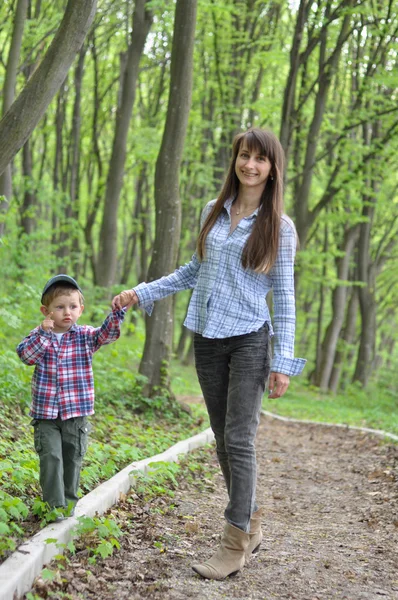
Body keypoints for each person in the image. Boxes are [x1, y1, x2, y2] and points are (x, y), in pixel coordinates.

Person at [112, 128, 306, 579]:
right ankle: (252, 519)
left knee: (239, 439)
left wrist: (284, 360)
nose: (250, 165)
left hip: (251, 339)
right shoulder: (213, 212)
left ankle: (234, 542)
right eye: (244, 155)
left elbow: (285, 296)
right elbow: (192, 272)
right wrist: (142, 293)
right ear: (235, 160)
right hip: (207, 337)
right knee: (222, 437)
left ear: (273, 169)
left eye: (261, 159)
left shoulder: (281, 227)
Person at [17, 274, 128, 520]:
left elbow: (106, 335)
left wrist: (116, 314)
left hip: (76, 413)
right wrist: (43, 335)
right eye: (59, 307)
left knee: (72, 457)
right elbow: (26, 356)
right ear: (46, 311)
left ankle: (68, 504)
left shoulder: (85, 336)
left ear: (80, 309)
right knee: (51, 457)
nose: (67, 312)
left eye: (73, 306)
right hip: (45, 414)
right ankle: (54, 508)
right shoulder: (39, 335)